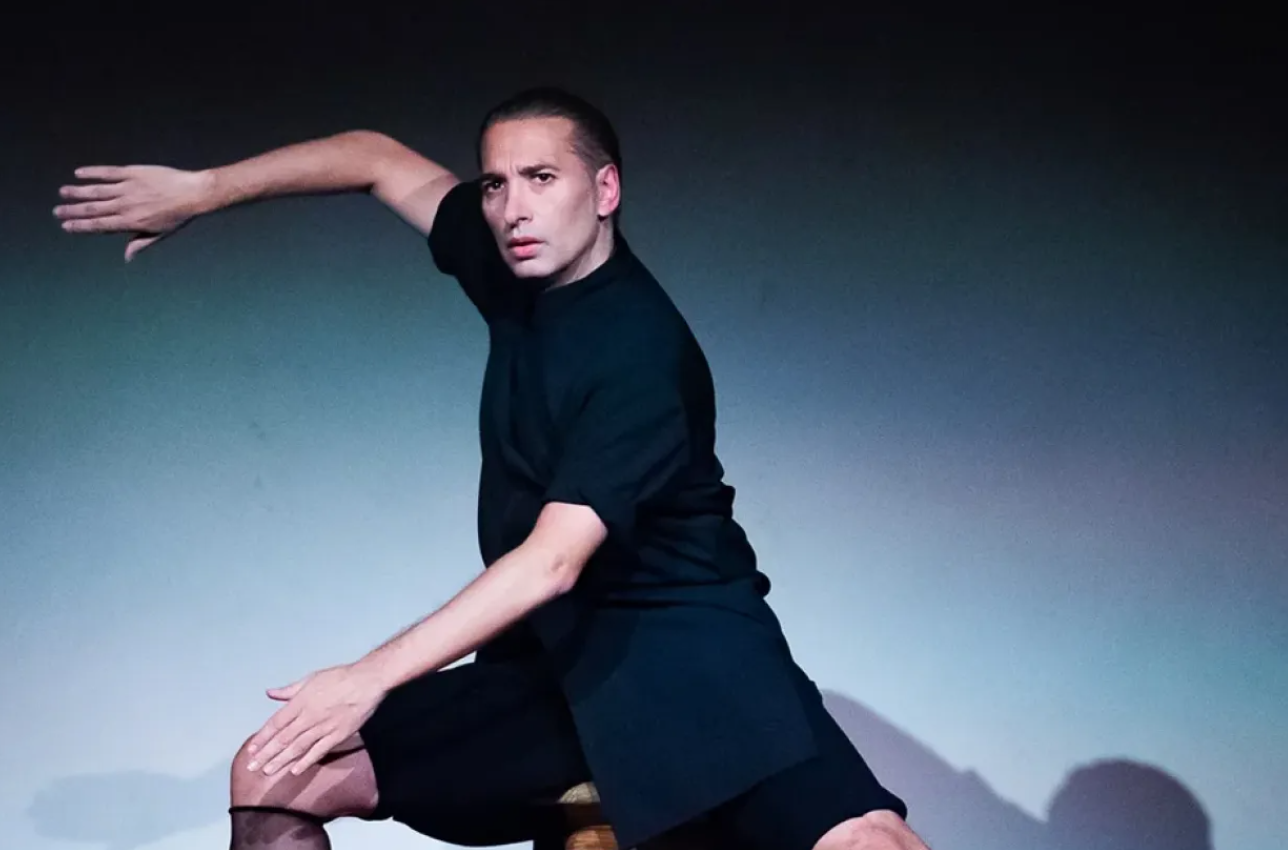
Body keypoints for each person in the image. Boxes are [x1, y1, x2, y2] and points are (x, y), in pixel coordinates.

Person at [54, 87, 930, 850]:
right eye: (496, 182)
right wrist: (202, 191)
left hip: (687, 665)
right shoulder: (516, 263)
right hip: (554, 669)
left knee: (870, 843)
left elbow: (552, 562)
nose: (513, 208)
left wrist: (366, 678)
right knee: (274, 772)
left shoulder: (640, 353)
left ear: (605, 190)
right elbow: (373, 159)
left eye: (542, 178)